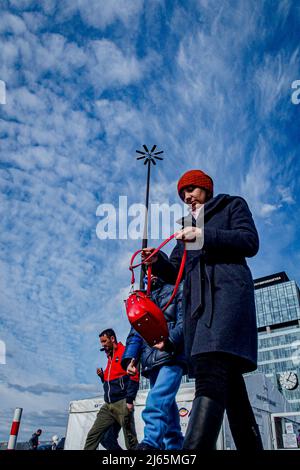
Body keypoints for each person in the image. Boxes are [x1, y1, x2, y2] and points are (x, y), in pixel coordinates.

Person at [142, 169, 263, 450]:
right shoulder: (186, 226)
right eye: (183, 193)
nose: (187, 196)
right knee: (232, 388)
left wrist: (203, 235)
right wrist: (156, 260)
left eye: (192, 189)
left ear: (206, 189)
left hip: (228, 300)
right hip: (199, 311)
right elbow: (175, 271)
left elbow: (250, 242)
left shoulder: (232, 205)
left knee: (210, 372)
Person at [122, 274, 187, 450]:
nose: (150, 274)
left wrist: (170, 342)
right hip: (151, 361)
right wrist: (131, 358)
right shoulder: (143, 298)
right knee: (170, 414)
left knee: (157, 398)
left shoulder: (178, 289)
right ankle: (175, 449)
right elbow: (135, 332)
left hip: (172, 355)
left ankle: (150, 443)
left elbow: (186, 322)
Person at [84, 328, 139, 450]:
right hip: (108, 405)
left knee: (131, 442)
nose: (103, 345)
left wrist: (129, 400)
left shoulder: (125, 352)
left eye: (104, 341)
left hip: (122, 403)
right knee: (96, 436)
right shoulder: (109, 358)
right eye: (101, 343)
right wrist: (102, 377)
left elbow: (134, 375)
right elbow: (111, 382)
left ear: (112, 338)